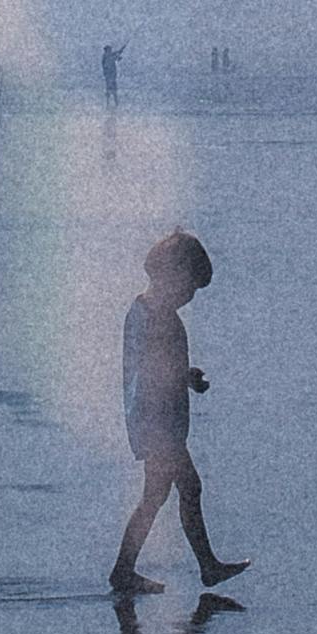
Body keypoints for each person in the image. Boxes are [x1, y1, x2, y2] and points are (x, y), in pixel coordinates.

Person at [109, 230, 246, 597]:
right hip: (158, 424)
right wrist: (179, 378)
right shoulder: (153, 317)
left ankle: (128, 570)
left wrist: (185, 377)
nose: (188, 298)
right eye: (189, 288)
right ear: (170, 276)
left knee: (159, 495)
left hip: (158, 421)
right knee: (185, 489)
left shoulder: (150, 311)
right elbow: (150, 370)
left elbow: (157, 367)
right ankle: (205, 567)